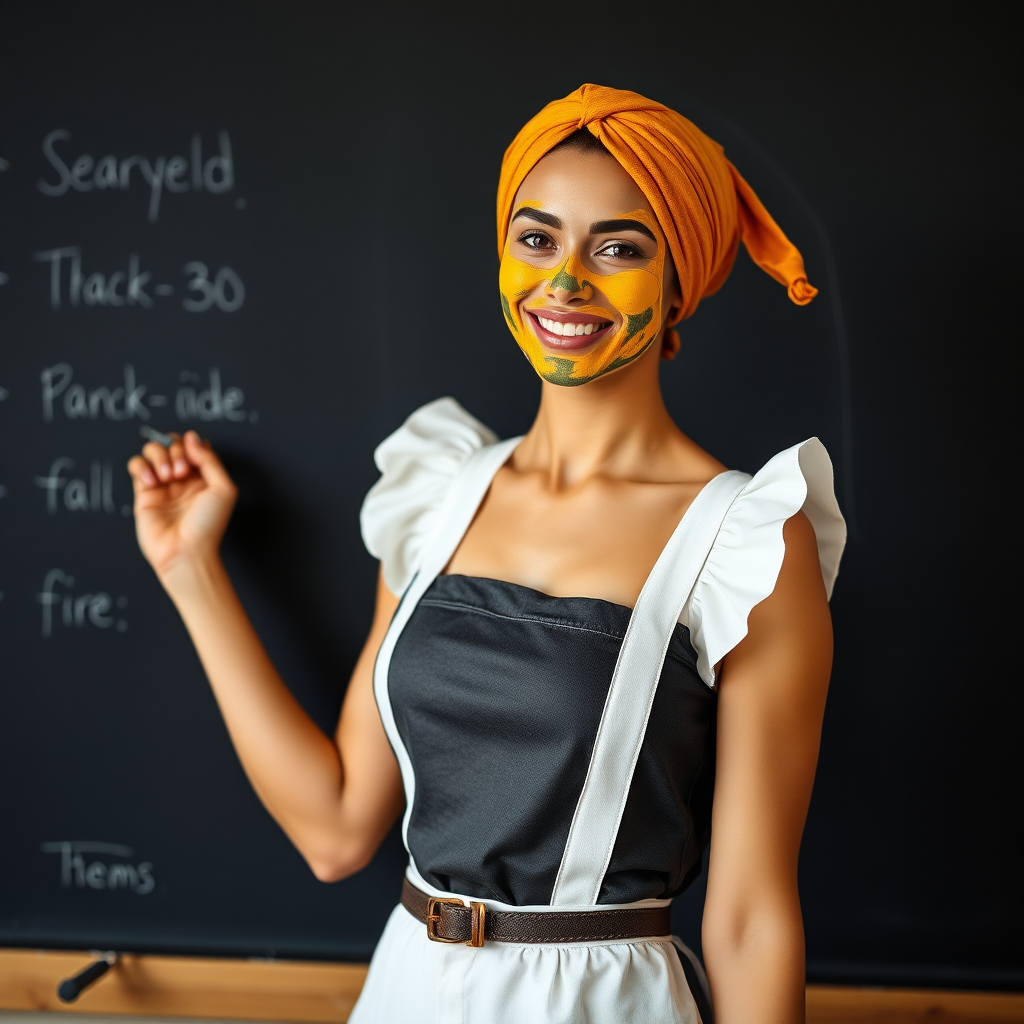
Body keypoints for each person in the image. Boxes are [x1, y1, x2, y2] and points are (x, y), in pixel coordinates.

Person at [128, 84, 846, 1024]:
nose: (565, 281)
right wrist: (192, 572)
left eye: (619, 247)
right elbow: (337, 828)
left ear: (682, 280)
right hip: (408, 989)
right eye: (536, 238)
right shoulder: (439, 492)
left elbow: (750, 919)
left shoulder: (747, 541)